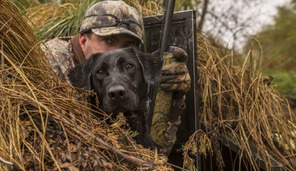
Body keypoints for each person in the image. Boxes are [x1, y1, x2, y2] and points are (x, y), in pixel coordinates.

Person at [42, 0, 191, 156]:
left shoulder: (137, 74)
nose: (117, 52)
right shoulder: (51, 61)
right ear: (84, 41)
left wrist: (172, 99)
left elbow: (155, 156)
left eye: (127, 45)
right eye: (108, 40)